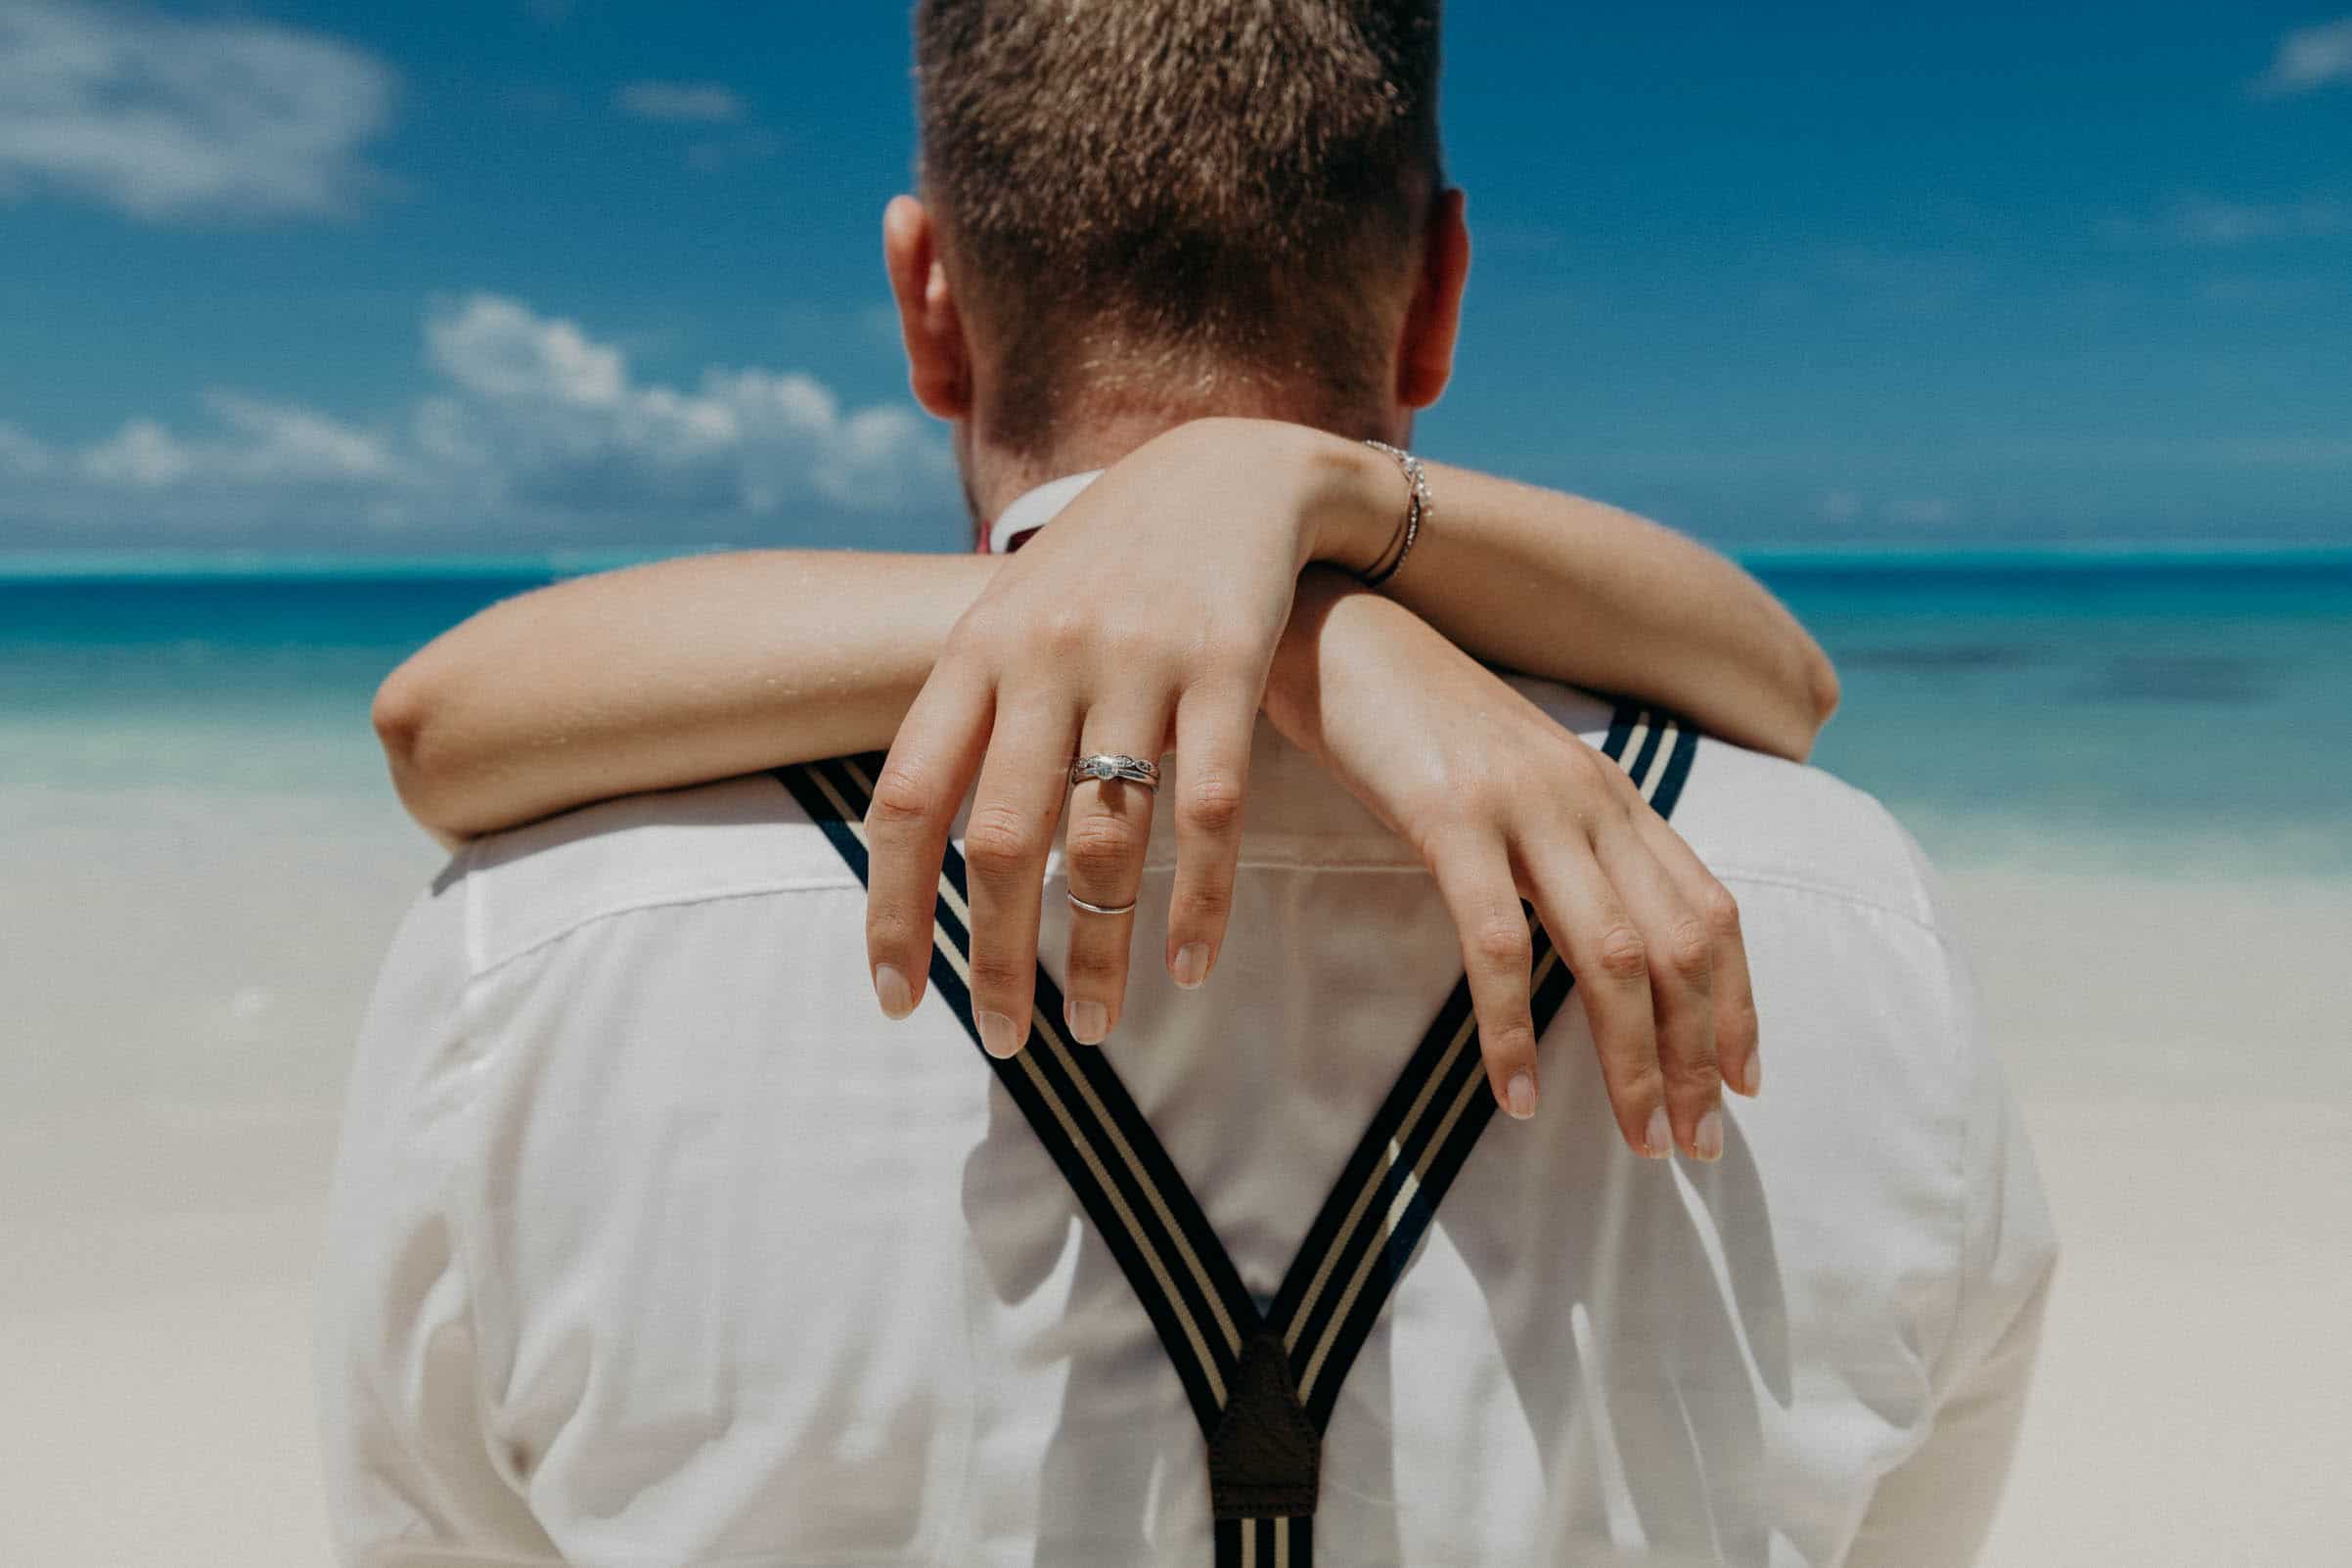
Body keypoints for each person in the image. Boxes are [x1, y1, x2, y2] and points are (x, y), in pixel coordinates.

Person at [317, 3, 2056, 1565]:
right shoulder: (1844, 906)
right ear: (1441, 290)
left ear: (928, 299)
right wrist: (1319, 609)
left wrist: (1248, 540)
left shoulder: (532, 943)